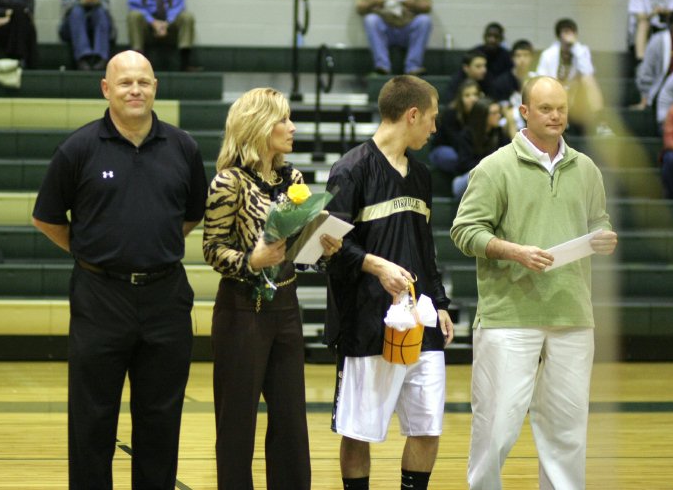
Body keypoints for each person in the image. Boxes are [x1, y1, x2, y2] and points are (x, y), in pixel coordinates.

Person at [31, 50, 207, 489]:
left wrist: (150, 244)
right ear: (106, 89)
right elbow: (47, 218)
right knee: (92, 420)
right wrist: (94, 250)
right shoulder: (78, 148)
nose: (135, 90)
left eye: (143, 82)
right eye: (125, 82)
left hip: (166, 298)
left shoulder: (183, 147)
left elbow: (191, 214)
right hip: (99, 297)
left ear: (155, 88)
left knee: (160, 420)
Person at [450, 75, 618, 490]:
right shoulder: (494, 168)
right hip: (509, 315)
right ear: (524, 112)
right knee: (497, 426)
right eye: (546, 108)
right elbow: (464, 231)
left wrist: (605, 236)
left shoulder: (587, 168)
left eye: (561, 107)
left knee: (567, 429)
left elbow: (598, 221)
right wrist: (513, 251)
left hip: (572, 313)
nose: (556, 115)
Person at [203, 87, 343, 489]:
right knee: (237, 424)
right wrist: (250, 261)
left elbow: (297, 250)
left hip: (286, 303)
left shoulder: (292, 178)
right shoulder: (228, 182)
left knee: (290, 422)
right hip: (241, 309)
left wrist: (323, 245)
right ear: (257, 125)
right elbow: (211, 249)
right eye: (282, 119)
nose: (291, 127)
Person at [324, 75, 455, 490]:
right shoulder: (350, 169)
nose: (434, 129)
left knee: (427, 424)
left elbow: (425, 246)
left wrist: (441, 302)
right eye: (431, 119)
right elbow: (328, 248)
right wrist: (376, 265)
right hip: (366, 322)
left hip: (421, 319)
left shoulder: (422, 176)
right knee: (359, 430)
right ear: (412, 114)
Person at [536, 18, 610, 135]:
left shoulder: (582, 51)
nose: (569, 35)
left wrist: (575, 48)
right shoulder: (548, 54)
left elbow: (588, 71)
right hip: (554, 95)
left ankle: (601, 123)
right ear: (559, 35)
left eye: (572, 32)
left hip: (575, 96)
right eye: (566, 32)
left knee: (589, 79)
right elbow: (540, 80)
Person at [449, 98, 513, 199]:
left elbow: (509, 158)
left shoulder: (500, 133)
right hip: (467, 178)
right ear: (483, 115)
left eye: (499, 112)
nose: (499, 116)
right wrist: (489, 166)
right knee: (482, 175)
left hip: (493, 178)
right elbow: (464, 164)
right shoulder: (466, 135)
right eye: (494, 113)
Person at [429, 80, 482, 176]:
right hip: (444, 148)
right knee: (457, 159)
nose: (473, 99)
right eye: (467, 95)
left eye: (475, 94)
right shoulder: (451, 113)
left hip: (466, 150)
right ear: (460, 98)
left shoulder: (481, 113)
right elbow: (456, 141)